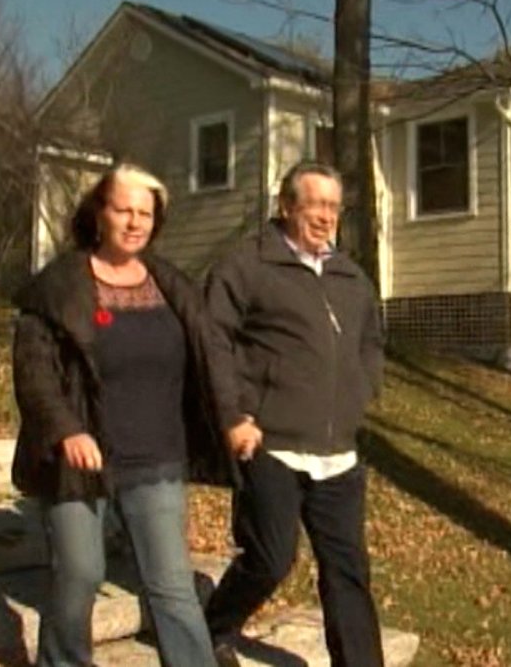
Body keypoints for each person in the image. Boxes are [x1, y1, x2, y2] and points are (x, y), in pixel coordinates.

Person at [10, 163, 256, 667]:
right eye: (123, 209)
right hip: (80, 464)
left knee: (172, 587)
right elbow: (33, 372)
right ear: (99, 213)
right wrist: (66, 430)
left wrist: (232, 418)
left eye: (145, 212)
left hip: (157, 458)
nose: (135, 221)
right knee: (79, 572)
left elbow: (212, 357)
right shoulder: (58, 286)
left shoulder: (172, 285)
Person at [203, 161, 386, 667]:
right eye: (315, 205)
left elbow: (371, 341)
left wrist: (363, 389)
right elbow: (212, 341)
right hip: (270, 442)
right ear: (286, 206)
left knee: (348, 569)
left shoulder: (351, 276)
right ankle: (211, 627)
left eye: (334, 206)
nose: (326, 217)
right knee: (270, 558)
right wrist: (234, 414)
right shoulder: (248, 265)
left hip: (338, 454)